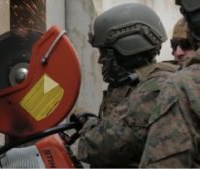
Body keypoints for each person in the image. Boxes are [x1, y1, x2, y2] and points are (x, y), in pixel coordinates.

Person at [74, 3, 178, 167]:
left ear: (128, 48)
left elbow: (97, 148)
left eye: (104, 52)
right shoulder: (132, 82)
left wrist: (88, 126)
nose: (101, 60)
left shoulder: (154, 88)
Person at [139, 0, 200, 167]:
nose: (178, 53)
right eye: (174, 45)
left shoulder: (179, 86)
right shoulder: (162, 78)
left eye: (186, 45)